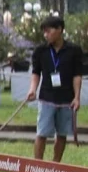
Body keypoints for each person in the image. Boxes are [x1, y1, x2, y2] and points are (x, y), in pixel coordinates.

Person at [30, 14, 83, 161]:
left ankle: (56, 166)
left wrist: (77, 97)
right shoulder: (40, 51)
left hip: (66, 99)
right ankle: (37, 165)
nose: (46, 35)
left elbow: (77, 75)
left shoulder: (74, 50)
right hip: (47, 97)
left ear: (60, 30)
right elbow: (36, 73)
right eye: (44, 32)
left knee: (61, 134)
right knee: (42, 133)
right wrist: (32, 89)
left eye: (49, 31)